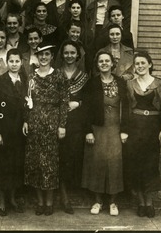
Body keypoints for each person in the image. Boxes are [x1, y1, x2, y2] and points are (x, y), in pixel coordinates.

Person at [22, 42, 69, 216]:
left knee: (49, 164)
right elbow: (27, 100)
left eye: (47, 54)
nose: (43, 57)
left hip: (51, 123)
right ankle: (40, 202)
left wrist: (62, 125)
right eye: (40, 54)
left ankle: (49, 203)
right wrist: (26, 120)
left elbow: (64, 102)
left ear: (51, 57)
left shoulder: (58, 76)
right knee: (35, 163)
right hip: (34, 122)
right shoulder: (32, 76)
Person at [81, 51, 129, 216]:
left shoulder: (121, 83)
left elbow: (128, 107)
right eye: (100, 61)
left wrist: (124, 130)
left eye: (106, 61)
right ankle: (98, 201)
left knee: (115, 163)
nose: (104, 63)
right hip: (97, 128)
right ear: (97, 64)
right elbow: (85, 110)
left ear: (112, 63)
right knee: (97, 163)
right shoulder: (92, 83)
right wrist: (88, 131)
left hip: (115, 128)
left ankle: (113, 202)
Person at [124, 51, 161, 218]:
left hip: (152, 128)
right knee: (136, 164)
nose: (140, 66)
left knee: (150, 165)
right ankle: (141, 203)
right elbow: (127, 110)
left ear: (150, 64)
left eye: (143, 63)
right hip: (135, 127)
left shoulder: (159, 84)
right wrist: (125, 131)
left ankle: (149, 203)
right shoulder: (130, 84)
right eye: (137, 64)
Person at [0, 48, 28, 216]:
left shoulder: (25, 80)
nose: (14, 64)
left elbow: (28, 104)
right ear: (7, 62)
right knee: (2, 164)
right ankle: (1, 201)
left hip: (19, 129)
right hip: (4, 128)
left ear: (21, 62)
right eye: (11, 61)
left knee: (16, 164)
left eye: (17, 61)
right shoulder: (0, 81)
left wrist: (26, 121)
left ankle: (12, 198)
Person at [57, 40, 89, 214]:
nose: (69, 56)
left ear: (77, 55)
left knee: (73, 157)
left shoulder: (84, 76)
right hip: (58, 122)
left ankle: (71, 192)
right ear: (62, 55)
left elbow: (89, 100)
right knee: (60, 157)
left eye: (72, 53)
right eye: (66, 52)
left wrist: (79, 102)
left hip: (77, 124)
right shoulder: (56, 74)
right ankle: (63, 196)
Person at [85, 0, 120, 71]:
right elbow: (87, 22)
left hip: (107, 34)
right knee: (93, 61)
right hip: (94, 34)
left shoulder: (114, 4)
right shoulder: (91, 6)